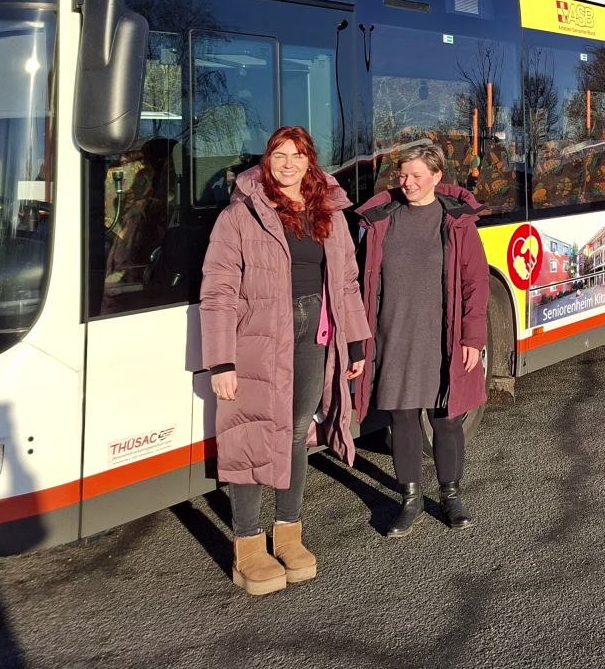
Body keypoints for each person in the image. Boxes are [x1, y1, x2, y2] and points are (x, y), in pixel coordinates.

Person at [199, 127, 370, 596]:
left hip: (316, 332)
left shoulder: (328, 211)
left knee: (296, 431)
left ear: (310, 161)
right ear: (267, 161)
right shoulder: (240, 215)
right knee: (252, 432)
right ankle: (249, 547)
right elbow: (218, 290)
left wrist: (355, 343)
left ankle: (288, 534)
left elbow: (346, 282)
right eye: (279, 155)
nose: (288, 163)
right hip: (257, 337)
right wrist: (221, 362)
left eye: (297, 155)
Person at [354, 144, 490, 536]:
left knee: (445, 419)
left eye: (416, 175)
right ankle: (410, 501)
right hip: (394, 335)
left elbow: (475, 283)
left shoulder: (457, 222)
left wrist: (472, 338)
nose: (407, 183)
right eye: (402, 175)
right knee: (401, 419)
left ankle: (451, 497)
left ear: (436, 176)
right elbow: (364, 284)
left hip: (442, 338)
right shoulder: (382, 220)